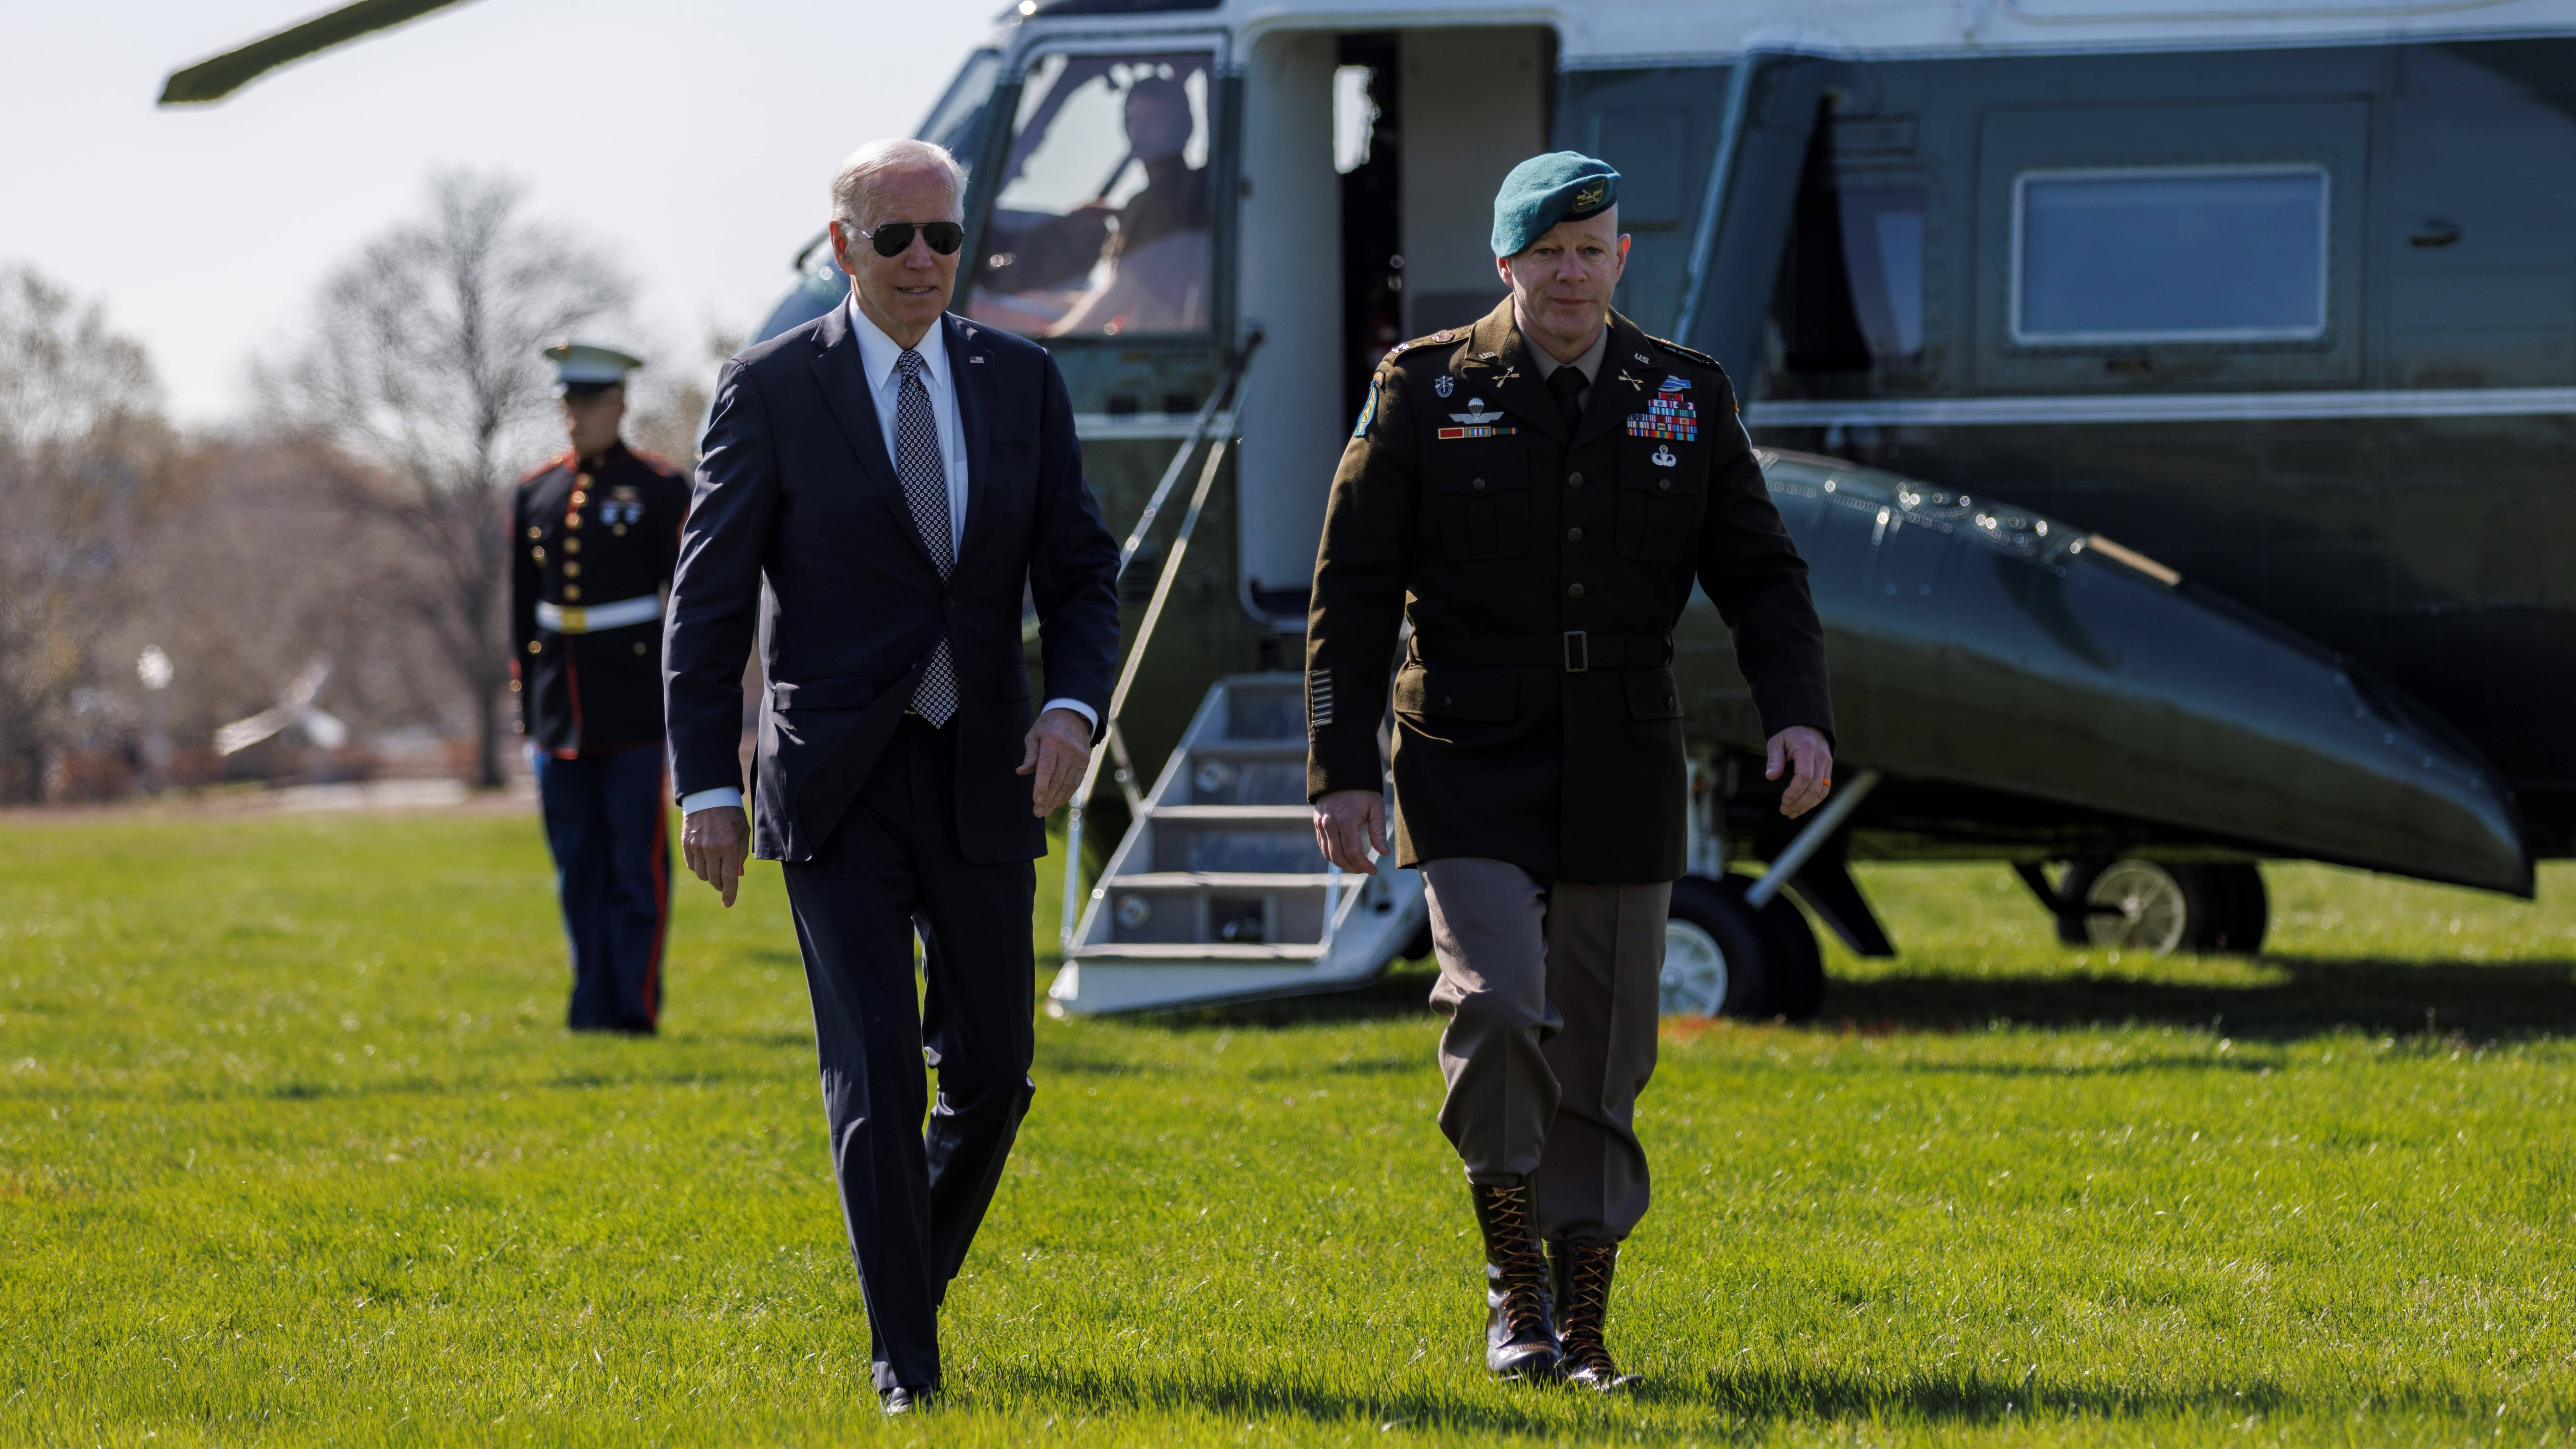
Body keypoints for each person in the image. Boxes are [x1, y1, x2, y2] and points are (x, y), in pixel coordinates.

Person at [1304, 152, 1837, 1389]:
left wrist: (1798, 714)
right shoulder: (1424, 385)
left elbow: (1762, 574)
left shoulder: (1681, 394)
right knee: (1494, 1006)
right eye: (1545, 252)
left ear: (1620, 259)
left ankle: (1584, 1325)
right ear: (1505, 262)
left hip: (1621, 751)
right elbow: (1351, 587)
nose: (1569, 274)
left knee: (1604, 1053)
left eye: (1590, 249)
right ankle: (1514, 1283)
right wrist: (1339, 769)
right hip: (1465, 750)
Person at [662, 138, 1120, 1416]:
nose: (923, 260)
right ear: (841, 248)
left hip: (986, 768)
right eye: (895, 238)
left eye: (943, 238)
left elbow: (1081, 571)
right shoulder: (766, 391)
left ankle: (901, 1282)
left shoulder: (1022, 381)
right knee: (876, 1075)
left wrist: (1076, 708)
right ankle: (904, 1366)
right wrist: (706, 782)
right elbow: (704, 611)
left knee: (994, 1076)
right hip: (835, 784)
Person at [509, 342, 689, 1034]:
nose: (573, 414)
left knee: (634, 870)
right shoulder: (536, 490)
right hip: (561, 713)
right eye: (567, 401)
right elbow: (522, 614)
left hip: (636, 707)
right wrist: (530, 710)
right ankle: (590, 1005)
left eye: (586, 401)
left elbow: (690, 603)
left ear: (618, 403)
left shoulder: (659, 487)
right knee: (577, 868)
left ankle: (634, 1006)